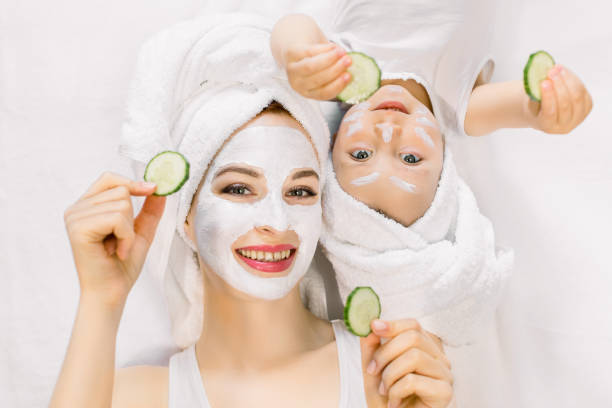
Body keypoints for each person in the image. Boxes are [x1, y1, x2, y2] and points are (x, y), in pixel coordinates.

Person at [50, 14, 455, 408]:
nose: (277, 223)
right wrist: (102, 298)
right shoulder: (135, 397)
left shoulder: (390, 373)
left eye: (299, 191)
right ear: (185, 216)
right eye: (239, 188)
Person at [269, 12, 592, 347]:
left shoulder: (340, 75)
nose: (388, 132)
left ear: (333, 146)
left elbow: (291, 25)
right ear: (443, 168)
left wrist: (298, 54)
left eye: (361, 154)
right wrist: (554, 108)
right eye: (410, 158)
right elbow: (529, 106)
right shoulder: (460, 111)